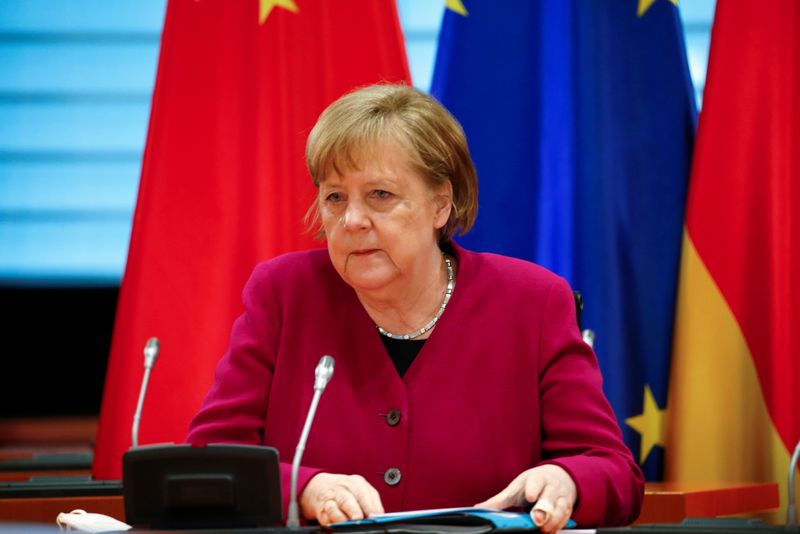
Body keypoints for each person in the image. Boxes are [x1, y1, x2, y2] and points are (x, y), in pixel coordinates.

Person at [186, 83, 644, 532]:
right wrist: (303, 488)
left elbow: (613, 472)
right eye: (335, 197)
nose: (352, 221)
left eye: (380, 195)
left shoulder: (532, 302)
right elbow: (209, 461)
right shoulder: (284, 293)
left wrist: (566, 480)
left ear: (441, 204)